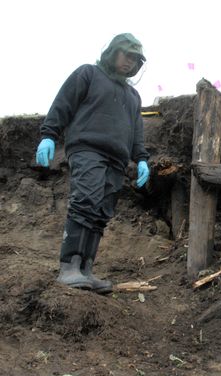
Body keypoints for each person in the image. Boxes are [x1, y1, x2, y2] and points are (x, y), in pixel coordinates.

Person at [35, 33, 150, 294]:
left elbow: (137, 133)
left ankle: (86, 269)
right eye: (127, 55)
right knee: (85, 201)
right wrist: (48, 135)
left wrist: (141, 159)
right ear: (113, 52)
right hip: (88, 149)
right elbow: (62, 104)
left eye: (135, 60)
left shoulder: (133, 96)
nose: (130, 63)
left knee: (100, 213)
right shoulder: (88, 74)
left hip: (117, 160)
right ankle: (69, 267)